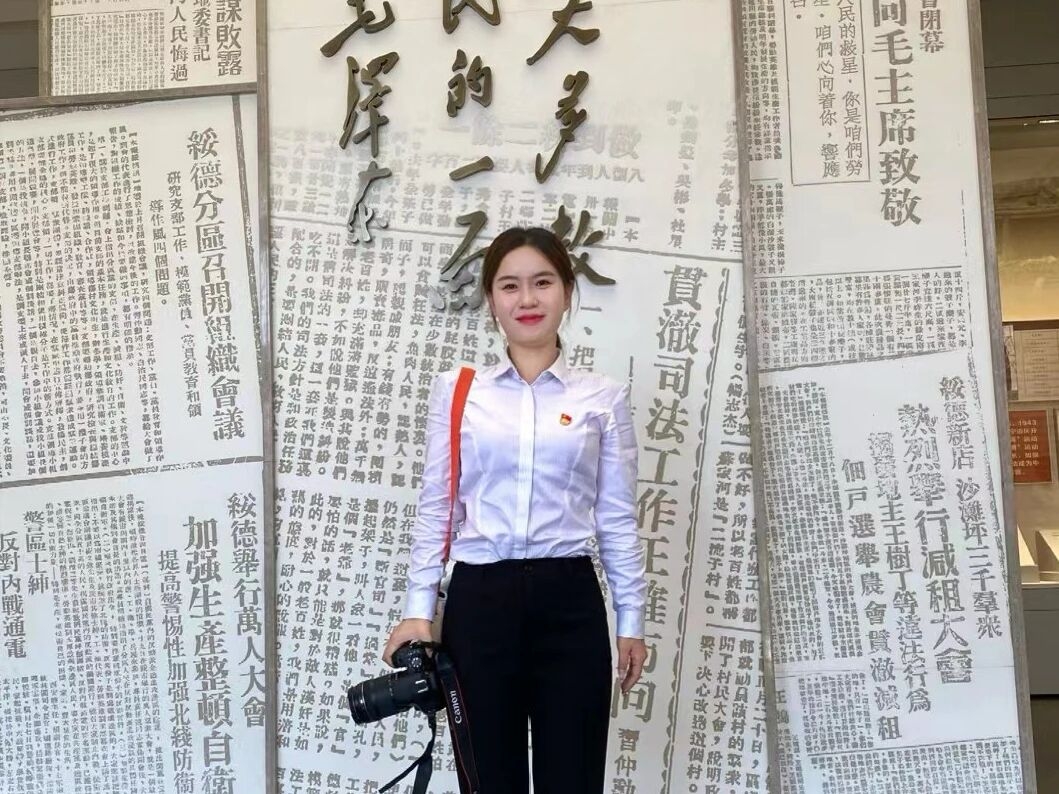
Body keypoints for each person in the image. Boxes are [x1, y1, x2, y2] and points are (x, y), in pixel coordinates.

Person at [383, 226, 648, 793]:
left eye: (542, 282)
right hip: (481, 604)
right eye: (510, 285)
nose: (527, 299)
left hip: (569, 600)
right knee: (489, 781)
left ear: (567, 291)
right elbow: (438, 506)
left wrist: (631, 621)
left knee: (573, 780)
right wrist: (418, 610)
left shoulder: (601, 397)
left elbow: (616, 517)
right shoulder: (459, 391)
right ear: (491, 299)